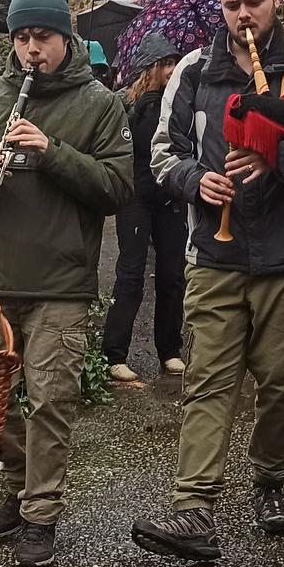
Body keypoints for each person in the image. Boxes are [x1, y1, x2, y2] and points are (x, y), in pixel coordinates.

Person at [130, 0, 284, 561]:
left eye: (253, 3)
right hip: (215, 253)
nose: (242, 16)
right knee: (208, 380)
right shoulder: (192, 72)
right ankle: (193, 509)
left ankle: (269, 479)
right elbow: (163, 153)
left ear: (274, 0)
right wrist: (194, 180)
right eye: (231, 5)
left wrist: (277, 155)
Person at [0, 0, 134, 567]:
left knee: (50, 402)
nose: (32, 50)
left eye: (43, 38)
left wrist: (51, 152)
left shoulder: (99, 103)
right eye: (22, 38)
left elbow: (117, 189)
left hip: (59, 283)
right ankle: (16, 487)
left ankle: (42, 513)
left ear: (65, 38)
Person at [102, 32, 190, 385]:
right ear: (150, 68)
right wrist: (153, 102)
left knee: (172, 275)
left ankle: (170, 350)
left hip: (170, 197)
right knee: (131, 274)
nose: (171, 70)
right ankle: (114, 355)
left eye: (174, 63)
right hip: (135, 198)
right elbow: (129, 148)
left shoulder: (181, 102)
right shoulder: (128, 105)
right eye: (165, 64)